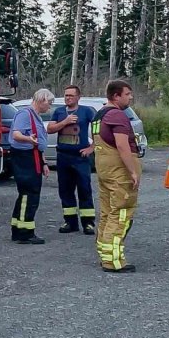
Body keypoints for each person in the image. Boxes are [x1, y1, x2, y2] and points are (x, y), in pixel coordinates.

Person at [91, 79, 141, 273]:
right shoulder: (117, 115)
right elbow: (122, 145)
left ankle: (105, 254)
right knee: (120, 213)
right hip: (118, 172)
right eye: (127, 94)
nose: (131, 97)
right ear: (116, 96)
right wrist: (133, 171)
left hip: (104, 170)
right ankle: (113, 261)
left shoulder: (99, 115)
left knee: (106, 213)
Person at [48, 85, 96, 235]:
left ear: (78, 97)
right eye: (66, 95)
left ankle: (88, 223)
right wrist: (65, 122)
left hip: (80, 157)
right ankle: (70, 221)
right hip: (63, 156)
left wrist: (92, 148)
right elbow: (50, 129)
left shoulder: (86, 111)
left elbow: (98, 130)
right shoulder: (59, 112)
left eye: (71, 95)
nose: (68, 98)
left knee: (84, 189)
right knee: (65, 190)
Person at [8, 88, 53, 243]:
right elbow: (16, 134)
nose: (50, 107)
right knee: (29, 194)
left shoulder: (36, 117)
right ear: (41, 100)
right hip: (25, 158)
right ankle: (24, 233)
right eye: (50, 103)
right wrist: (29, 140)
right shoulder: (25, 114)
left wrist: (44, 162)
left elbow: (39, 143)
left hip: (33, 157)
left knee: (27, 195)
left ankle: (18, 229)